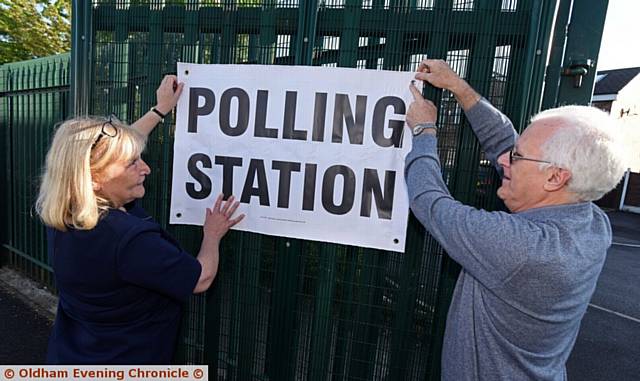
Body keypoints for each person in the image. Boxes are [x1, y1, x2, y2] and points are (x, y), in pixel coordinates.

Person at [404, 59, 626, 380]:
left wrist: (424, 131)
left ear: (554, 178)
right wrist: (458, 87)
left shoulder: (522, 248)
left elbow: (429, 203)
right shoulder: (590, 220)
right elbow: (503, 142)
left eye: (518, 156)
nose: (504, 159)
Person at [36, 75, 245, 364]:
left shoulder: (66, 209)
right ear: (94, 178)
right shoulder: (129, 239)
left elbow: (106, 153)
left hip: (73, 356)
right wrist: (212, 235)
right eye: (132, 162)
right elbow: (200, 279)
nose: (145, 168)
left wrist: (159, 110)